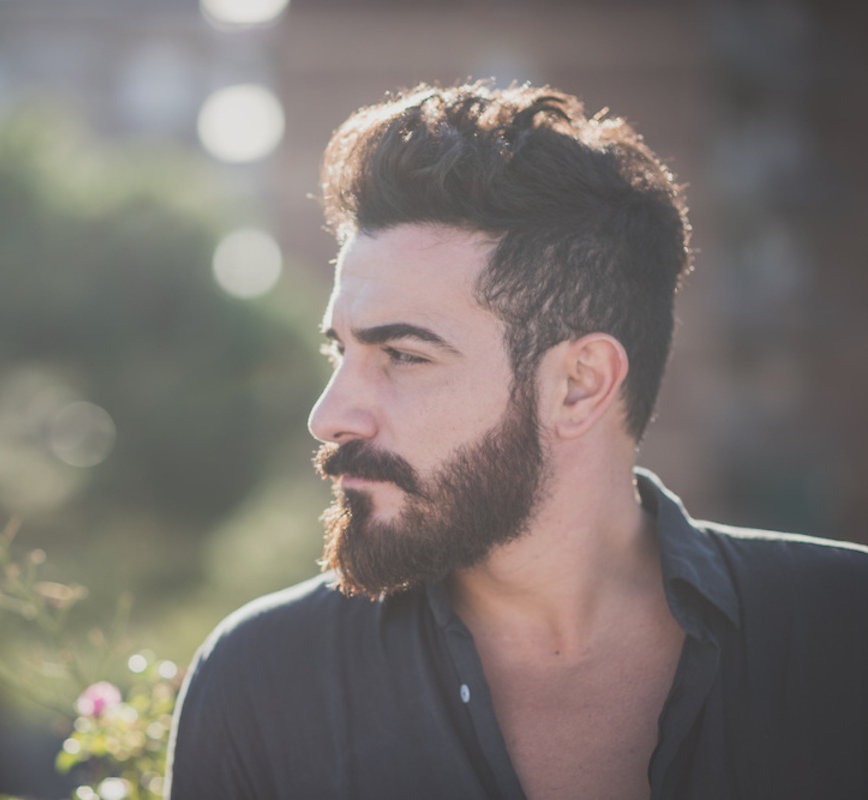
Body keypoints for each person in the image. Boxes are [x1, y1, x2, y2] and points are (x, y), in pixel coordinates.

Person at [165, 80, 868, 800]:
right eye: (338, 353)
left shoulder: (846, 634)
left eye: (403, 356)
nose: (330, 415)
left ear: (579, 385)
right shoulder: (261, 686)